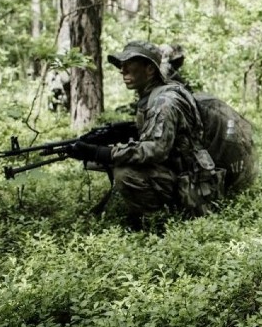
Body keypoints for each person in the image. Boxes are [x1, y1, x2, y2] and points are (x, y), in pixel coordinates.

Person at [65, 40, 225, 222]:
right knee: (105, 162)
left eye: (129, 64)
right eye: (121, 65)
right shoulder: (151, 96)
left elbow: (155, 150)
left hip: (190, 179)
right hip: (176, 169)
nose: (122, 70)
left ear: (149, 70)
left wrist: (100, 152)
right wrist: (123, 133)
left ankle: (156, 221)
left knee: (125, 173)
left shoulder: (164, 102)